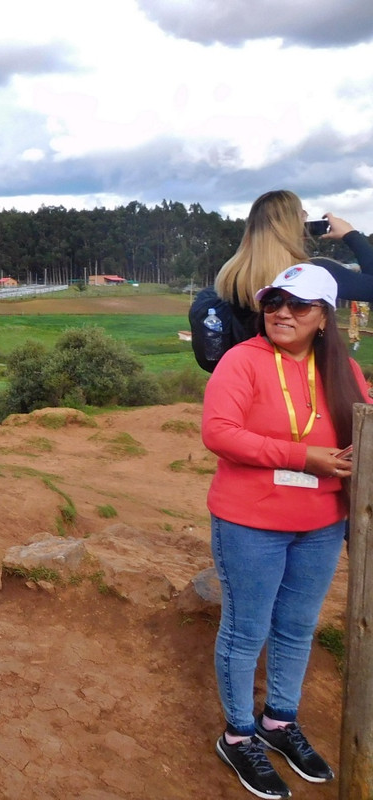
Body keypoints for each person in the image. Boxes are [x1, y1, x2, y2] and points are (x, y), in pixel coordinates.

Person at [202, 263, 368, 799]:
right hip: (251, 523)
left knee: (297, 626)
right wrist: (303, 456)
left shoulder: (342, 368)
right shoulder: (242, 360)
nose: (282, 312)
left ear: (324, 316)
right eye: (274, 302)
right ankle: (238, 734)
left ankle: (278, 721)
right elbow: (219, 433)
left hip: (321, 523)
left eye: (298, 304)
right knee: (246, 629)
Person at [193, 189, 373, 370]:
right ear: (294, 225)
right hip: (294, 378)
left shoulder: (231, 274)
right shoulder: (313, 272)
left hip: (245, 374)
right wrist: (351, 234)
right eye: (302, 216)